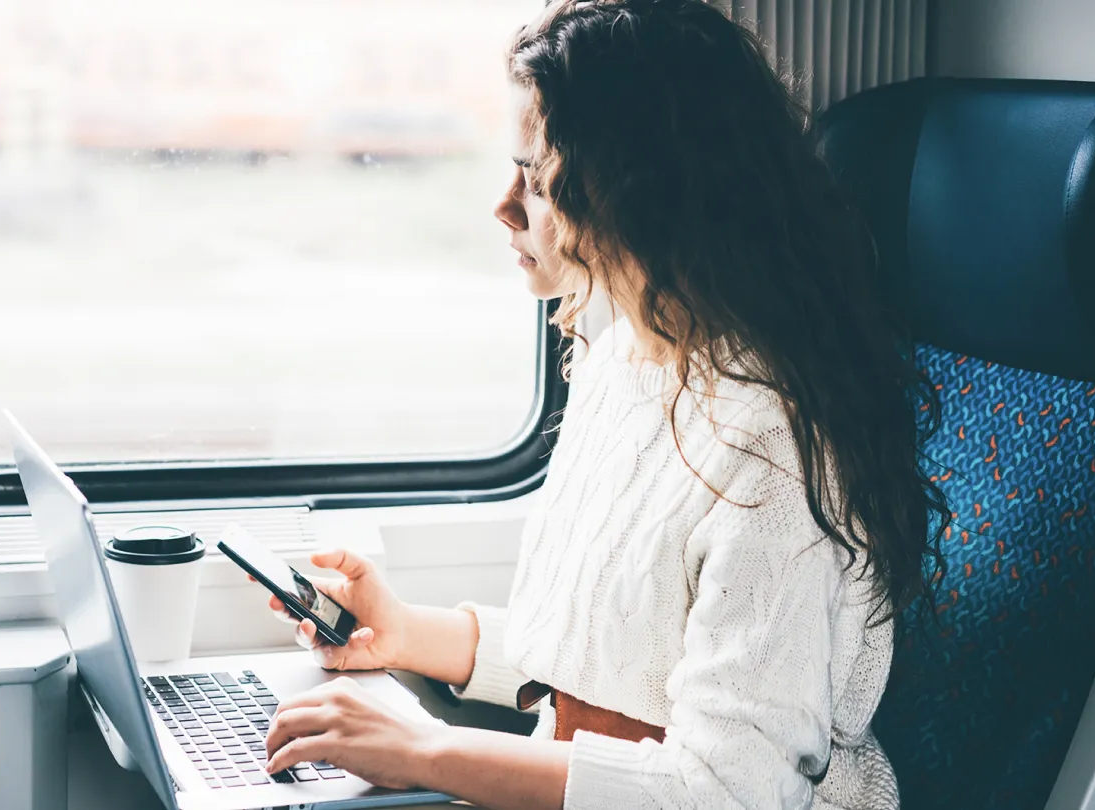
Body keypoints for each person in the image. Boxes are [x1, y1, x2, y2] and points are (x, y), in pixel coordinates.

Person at [258, 1, 949, 807]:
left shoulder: (773, 452)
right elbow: (615, 664)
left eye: (541, 181)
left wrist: (429, 752)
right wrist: (411, 634)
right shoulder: (626, 355)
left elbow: (726, 790)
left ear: (643, 199)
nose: (505, 207)